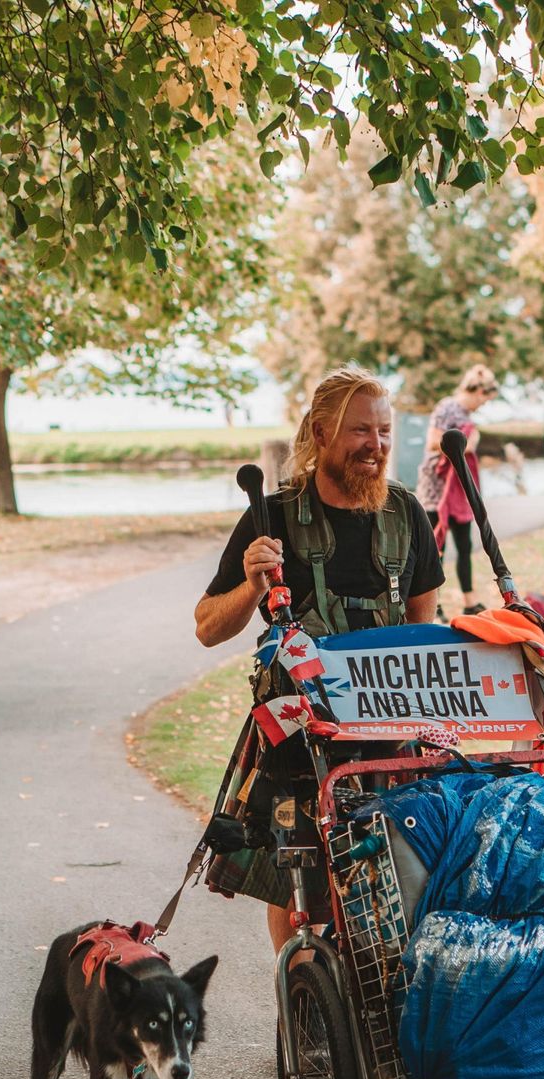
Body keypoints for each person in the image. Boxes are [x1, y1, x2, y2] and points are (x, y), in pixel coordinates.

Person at [195, 364, 444, 954]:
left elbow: (423, 630)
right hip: (299, 737)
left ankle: (375, 992)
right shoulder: (272, 516)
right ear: (321, 433)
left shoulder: (407, 514)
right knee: (298, 883)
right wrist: (251, 586)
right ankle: (301, 993)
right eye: (360, 430)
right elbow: (207, 627)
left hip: (390, 730)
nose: (376, 445)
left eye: (384, 431)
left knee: (404, 873)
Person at [415, 364, 497, 620]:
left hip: (458, 490)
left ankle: (469, 601)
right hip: (437, 488)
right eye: (485, 400)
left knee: (464, 544)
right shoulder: (447, 407)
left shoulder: (467, 415)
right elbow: (432, 442)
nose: (483, 405)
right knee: (435, 546)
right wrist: (467, 442)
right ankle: (433, 605)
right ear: (479, 391)